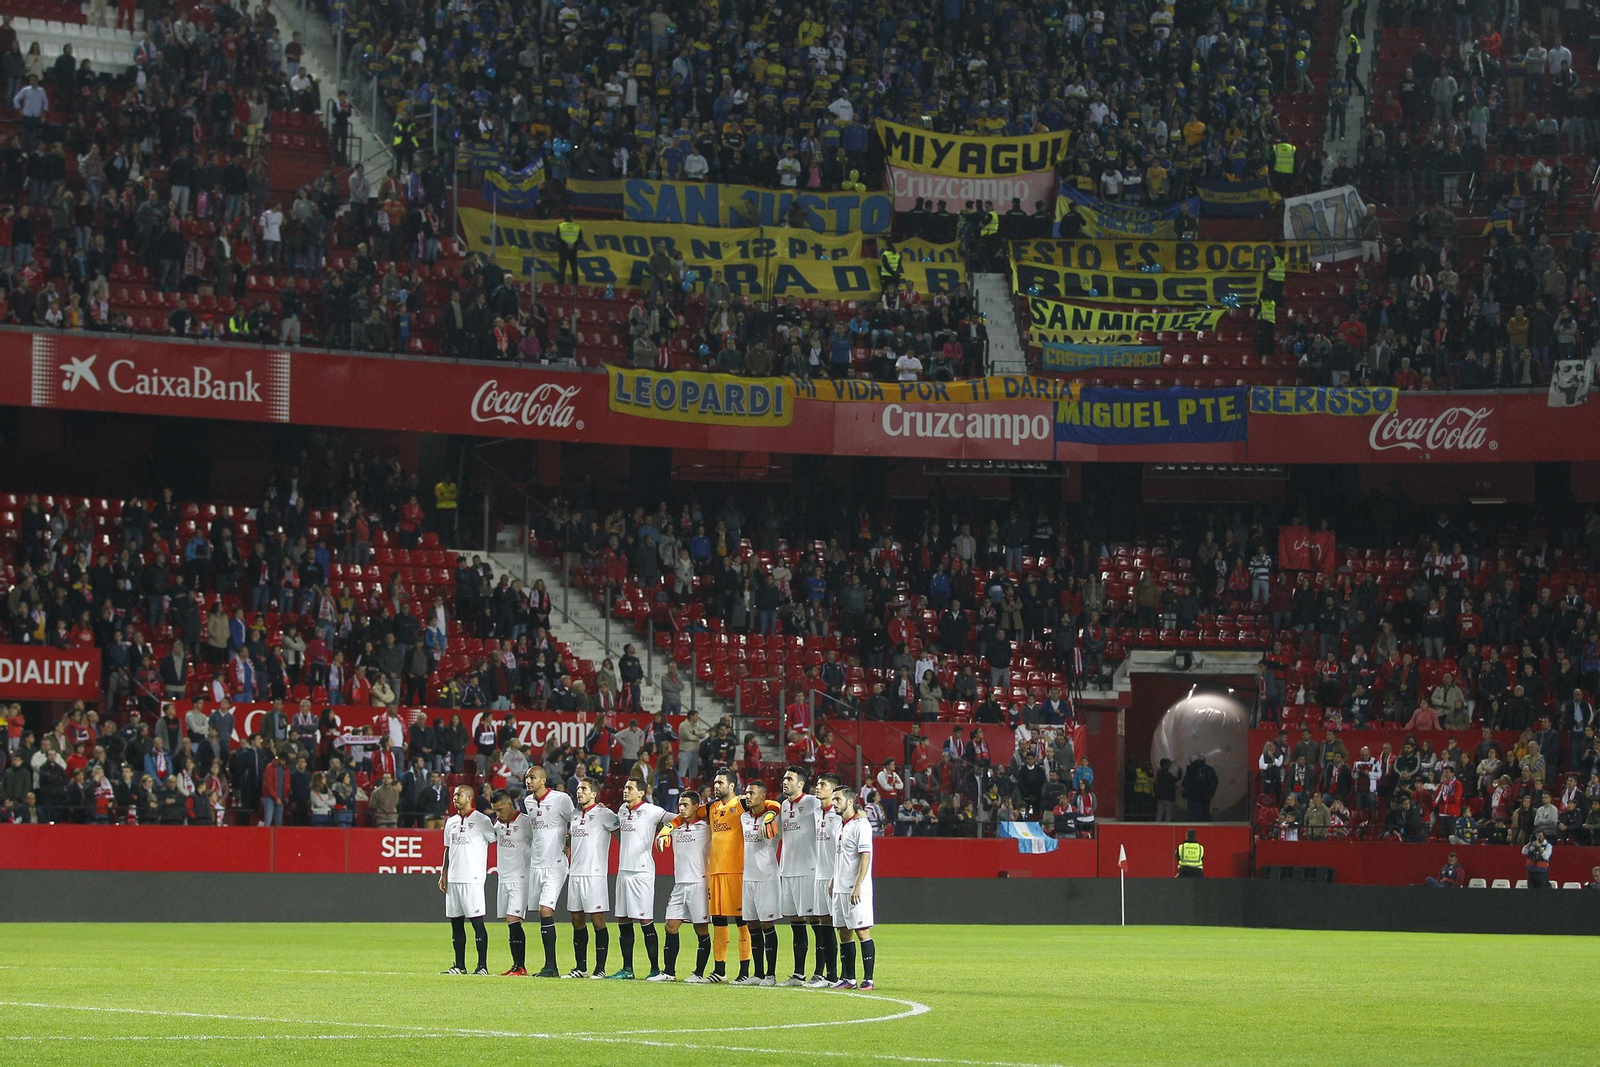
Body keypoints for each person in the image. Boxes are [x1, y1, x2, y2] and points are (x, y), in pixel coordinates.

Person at [608, 776, 672, 980]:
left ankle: (654, 969)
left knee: (645, 920)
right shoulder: (622, 810)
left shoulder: (653, 811)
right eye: (625, 787)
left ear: (642, 793)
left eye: (630, 788)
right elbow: (620, 834)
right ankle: (627, 969)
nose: (625, 791)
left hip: (642, 872)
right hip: (623, 871)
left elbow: (676, 817)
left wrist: (666, 832)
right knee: (623, 920)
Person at [653, 789, 714, 982]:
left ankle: (698, 973)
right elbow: (666, 823)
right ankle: (669, 972)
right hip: (679, 884)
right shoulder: (674, 827)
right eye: (679, 804)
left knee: (701, 930)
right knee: (670, 926)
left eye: (685, 804)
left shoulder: (706, 828)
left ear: (697, 806)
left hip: (699, 884)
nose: (681, 808)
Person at [521, 765, 576, 977]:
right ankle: (549, 965)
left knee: (546, 910)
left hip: (556, 864)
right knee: (541, 914)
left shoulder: (561, 799)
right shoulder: (528, 802)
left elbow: (576, 821)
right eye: (527, 778)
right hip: (536, 864)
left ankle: (551, 966)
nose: (528, 781)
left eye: (532, 777)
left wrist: (569, 840)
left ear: (543, 780)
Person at [565, 776, 620, 978]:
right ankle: (581, 968)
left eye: (584, 789)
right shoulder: (573, 814)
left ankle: (600, 969)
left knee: (597, 920)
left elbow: (623, 834)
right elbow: (572, 836)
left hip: (594, 875)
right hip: (575, 873)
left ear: (594, 794)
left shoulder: (605, 814)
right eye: (579, 789)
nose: (579, 792)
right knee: (576, 920)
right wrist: (567, 843)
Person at [439, 784, 495, 975]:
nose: (455, 797)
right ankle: (459, 965)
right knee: (456, 923)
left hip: (473, 879)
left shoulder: (483, 820)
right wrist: (443, 873)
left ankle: (482, 966)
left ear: (469, 798)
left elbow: (496, 840)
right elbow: (448, 848)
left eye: (459, 794)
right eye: (454, 794)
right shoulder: (451, 822)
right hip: (454, 878)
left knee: (477, 922)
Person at [827, 782, 876, 990]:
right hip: (839, 887)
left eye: (837, 799)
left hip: (856, 889)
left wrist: (858, 885)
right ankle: (849, 978)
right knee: (843, 931)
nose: (833, 803)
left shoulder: (861, 825)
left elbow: (865, 856)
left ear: (849, 801)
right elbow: (841, 856)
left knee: (862, 931)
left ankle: (869, 979)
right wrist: (833, 878)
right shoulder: (840, 824)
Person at [736, 779, 783, 984]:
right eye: (746, 792)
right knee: (752, 925)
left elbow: (777, 806)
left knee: (767, 924)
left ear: (763, 796)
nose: (748, 796)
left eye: (752, 793)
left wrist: (771, 813)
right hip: (748, 877)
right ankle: (758, 974)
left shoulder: (774, 818)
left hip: (767, 877)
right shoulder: (744, 817)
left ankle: (771, 974)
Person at [489, 788, 535, 975]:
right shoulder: (497, 825)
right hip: (504, 879)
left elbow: (541, 842)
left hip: (521, 878)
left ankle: (521, 966)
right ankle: (516, 965)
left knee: (513, 919)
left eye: (500, 810)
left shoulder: (526, 823)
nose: (498, 814)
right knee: (510, 922)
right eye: (495, 811)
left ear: (510, 804)